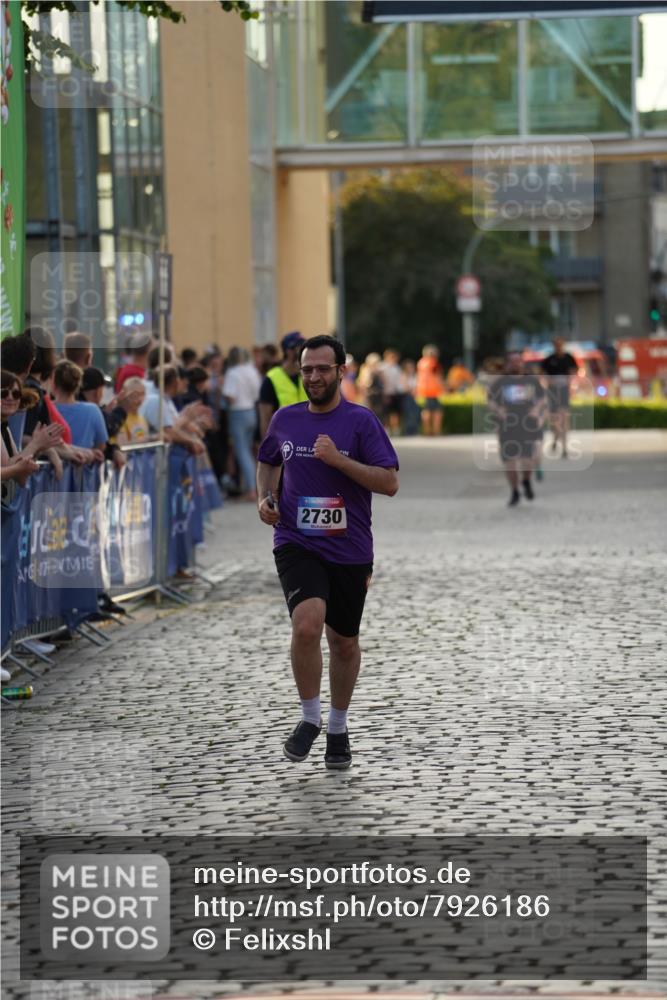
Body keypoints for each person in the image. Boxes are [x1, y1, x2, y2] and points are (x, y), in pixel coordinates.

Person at [257, 334, 399, 770]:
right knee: (306, 625)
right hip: (296, 542)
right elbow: (268, 461)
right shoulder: (285, 419)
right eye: (306, 370)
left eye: (322, 369)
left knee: (343, 642)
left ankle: (338, 726)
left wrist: (339, 462)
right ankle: (309, 719)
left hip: (350, 547)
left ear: (341, 371)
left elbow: (389, 482)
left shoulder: (360, 422)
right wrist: (266, 498)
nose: (313, 377)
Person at [488, 351, 546, 506]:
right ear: (508, 364)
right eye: (512, 361)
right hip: (507, 425)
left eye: (518, 361)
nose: (515, 364)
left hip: (527, 424)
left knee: (528, 460)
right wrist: (499, 410)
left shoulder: (531, 381)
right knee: (510, 463)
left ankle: (526, 481)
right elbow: (490, 401)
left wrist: (536, 410)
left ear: (522, 363)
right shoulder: (500, 382)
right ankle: (514, 491)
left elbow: (542, 398)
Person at [222, 346, 261, 501]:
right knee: (248, 451)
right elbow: (257, 393)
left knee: (241, 452)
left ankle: (251, 489)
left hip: (237, 412)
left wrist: (222, 400)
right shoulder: (252, 371)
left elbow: (230, 396)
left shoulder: (232, 373)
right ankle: (252, 487)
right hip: (251, 411)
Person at [52, 361, 108, 457]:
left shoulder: (47, 408)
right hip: (85, 467)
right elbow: (101, 445)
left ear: (54, 384)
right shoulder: (93, 410)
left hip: (50, 470)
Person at [258, 332, 307, 438]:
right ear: (289, 351)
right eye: (301, 348)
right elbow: (265, 418)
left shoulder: (307, 375)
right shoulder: (272, 378)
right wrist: (266, 447)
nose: (305, 352)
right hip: (283, 440)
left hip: (307, 438)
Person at [540, 337, 578, 458]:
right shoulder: (549, 359)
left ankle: (565, 447)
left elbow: (574, 371)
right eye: (556, 345)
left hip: (564, 391)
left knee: (564, 418)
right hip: (552, 392)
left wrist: (570, 380)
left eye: (560, 345)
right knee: (555, 421)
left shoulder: (568, 358)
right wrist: (548, 382)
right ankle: (556, 439)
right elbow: (542, 373)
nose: (558, 347)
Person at [416, 345, 444, 435]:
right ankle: (436, 431)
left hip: (423, 390)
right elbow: (438, 377)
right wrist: (443, 388)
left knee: (426, 411)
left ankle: (427, 431)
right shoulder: (434, 363)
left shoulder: (421, 363)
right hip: (433, 391)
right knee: (437, 412)